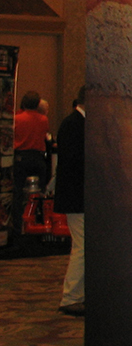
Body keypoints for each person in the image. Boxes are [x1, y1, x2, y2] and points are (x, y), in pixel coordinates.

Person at [54, 86, 85, 316]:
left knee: (84, 247)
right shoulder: (72, 123)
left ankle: (77, 295)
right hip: (76, 196)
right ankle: (71, 297)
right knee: (81, 247)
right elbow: (73, 160)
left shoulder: (76, 123)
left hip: (80, 195)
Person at [12, 91, 48, 234]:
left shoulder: (17, 119)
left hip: (21, 158)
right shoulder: (43, 119)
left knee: (17, 193)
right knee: (41, 192)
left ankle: (16, 226)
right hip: (38, 159)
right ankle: (38, 220)